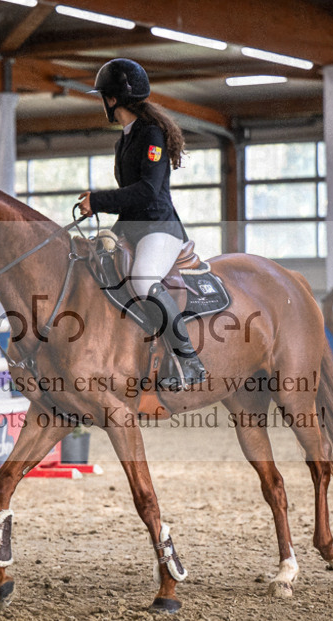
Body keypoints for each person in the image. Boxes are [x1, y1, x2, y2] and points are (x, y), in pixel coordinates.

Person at [77, 58, 206, 390]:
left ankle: (189, 359)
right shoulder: (123, 140)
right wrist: (101, 215)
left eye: (103, 96)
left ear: (112, 98)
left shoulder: (151, 134)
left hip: (160, 229)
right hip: (133, 228)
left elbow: (148, 191)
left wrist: (100, 200)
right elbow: (128, 197)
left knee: (143, 280)